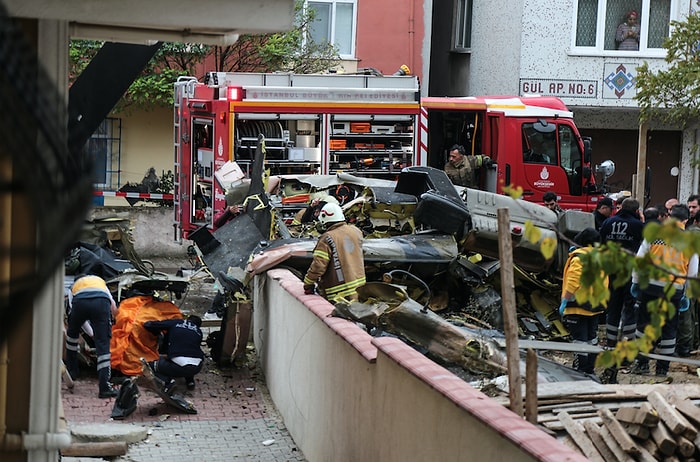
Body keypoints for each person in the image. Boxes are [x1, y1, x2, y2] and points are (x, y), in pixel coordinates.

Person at [631, 204, 699, 376]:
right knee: (669, 328)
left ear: (669, 216)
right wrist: (687, 292)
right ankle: (662, 370)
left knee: (644, 325)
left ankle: (642, 364)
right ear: (686, 220)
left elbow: (640, 259)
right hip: (674, 289)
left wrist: (635, 281)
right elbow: (692, 271)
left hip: (650, 287)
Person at [599, 198, 643, 382]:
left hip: (612, 270)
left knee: (613, 307)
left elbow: (601, 245)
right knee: (630, 308)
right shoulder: (638, 226)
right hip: (630, 271)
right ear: (636, 210)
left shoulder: (608, 222)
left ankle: (610, 343)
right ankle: (628, 346)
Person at [559, 227, 606, 375]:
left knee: (579, 341)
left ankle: (580, 370)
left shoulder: (579, 258)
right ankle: (590, 369)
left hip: (577, 305)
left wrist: (565, 300)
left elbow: (573, 280)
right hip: (595, 305)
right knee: (591, 338)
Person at [65, 274, 119, 398]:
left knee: (71, 337)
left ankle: (72, 372)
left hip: (80, 302)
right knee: (103, 346)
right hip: (101, 301)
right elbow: (112, 305)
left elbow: (76, 314)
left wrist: (90, 333)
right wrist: (109, 324)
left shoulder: (74, 286)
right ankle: (104, 387)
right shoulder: (100, 282)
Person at [302, 202, 366, 302]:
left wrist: (308, 283)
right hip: (360, 291)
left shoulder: (327, 238)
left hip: (339, 296)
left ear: (325, 221)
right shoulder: (356, 231)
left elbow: (319, 265)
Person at [144, 315, 205, 394]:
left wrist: (156, 332)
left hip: (178, 364)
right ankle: (190, 381)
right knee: (188, 361)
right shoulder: (199, 331)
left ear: (187, 320)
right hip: (197, 366)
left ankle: (168, 381)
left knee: (148, 365)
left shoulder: (177, 322)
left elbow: (148, 324)